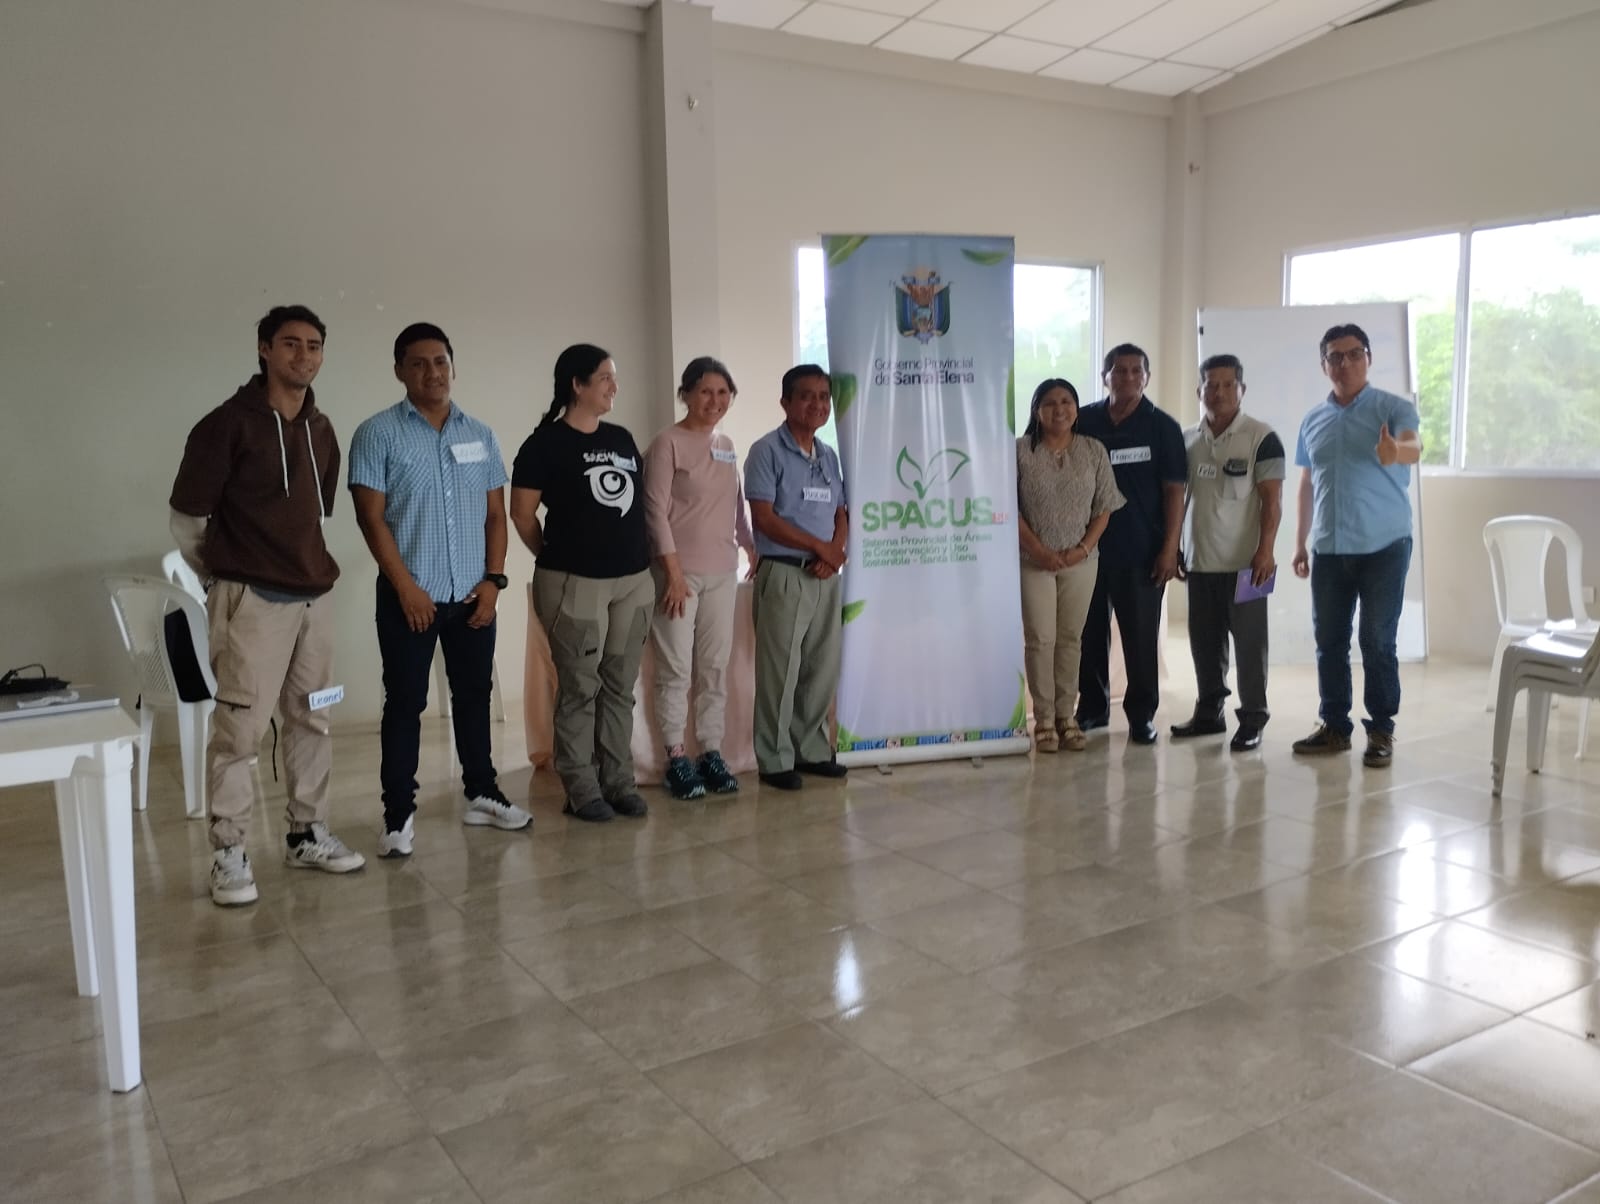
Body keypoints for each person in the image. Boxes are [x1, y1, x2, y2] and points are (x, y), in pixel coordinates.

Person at [170, 305, 365, 907]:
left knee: (314, 716)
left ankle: (307, 833)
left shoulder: (322, 430)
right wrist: (225, 580)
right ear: (263, 349)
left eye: (314, 346)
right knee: (239, 730)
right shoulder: (224, 425)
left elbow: (316, 515)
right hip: (251, 603)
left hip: (315, 601)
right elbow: (187, 521)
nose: (303, 356)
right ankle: (228, 851)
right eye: (290, 344)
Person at [348, 323, 532, 859]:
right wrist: (405, 587)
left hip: (473, 595)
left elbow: (495, 516)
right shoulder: (378, 433)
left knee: (473, 696)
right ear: (399, 371)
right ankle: (397, 815)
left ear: (453, 366)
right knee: (405, 703)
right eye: (419, 363)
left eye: (441, 362)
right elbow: (370, 518)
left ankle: (481, 793)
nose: (433, 372)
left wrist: (494, 582)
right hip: (411, 598)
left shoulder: (480, 434)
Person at [510, 344, 652, 821]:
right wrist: (554, 558)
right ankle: (582, 789)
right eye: (605, 377)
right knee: (579, 688)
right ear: (577, 384)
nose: (614, 386)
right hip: (574, 582)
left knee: (619, 686)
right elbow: (522, 514)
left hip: (632, 581)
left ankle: (619, 782)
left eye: (614, 377)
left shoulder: (621, 438)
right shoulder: (544, 444)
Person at [1291, 323, 1422, 768]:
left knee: (1377, 640)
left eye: (1353, 354)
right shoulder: (1313, 420)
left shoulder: (1393, 408)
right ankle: (1334, 726)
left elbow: (1413, 448)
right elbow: (1307, 483)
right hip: (1329, 547)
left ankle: (1381, 729)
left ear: (1368, 358)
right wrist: (1300, 542)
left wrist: (1393, 451)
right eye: (1335, 356)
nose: (1344, 363)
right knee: (1329, 640)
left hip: (1384, 545)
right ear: (1324, 364)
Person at [643, 356, 756, 800]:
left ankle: (711, 751)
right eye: (705, 391)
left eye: (723, 392)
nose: (715, 400)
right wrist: (672, 574)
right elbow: (654, 511)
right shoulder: (666, 443)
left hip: (722, 573)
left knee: (714, 667)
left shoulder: (725, 444)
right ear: (686, 394)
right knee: (675, 669)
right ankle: (676, 757)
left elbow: (735, 504)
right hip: (678, 574)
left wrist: (750, 547)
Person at [1073, 343, 1187, 745]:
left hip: (1142, 552)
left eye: (1136, 371)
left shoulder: (1163, 427)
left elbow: (1175, 491)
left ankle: (1141, 716)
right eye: (1119, 370)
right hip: (1088, 548)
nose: (1128, 377)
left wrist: (1169, 548)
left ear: (1147, 377)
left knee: (1140, 639)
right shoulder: (1084, 420)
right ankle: (1092, 708)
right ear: (1105, 377)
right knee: (1089, 635)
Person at [1172, 354, 1285, 752]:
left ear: (1242, 389)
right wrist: (1177, 547)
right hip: (1200, 561)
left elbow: (1272, 501)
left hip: (1249, 566)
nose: (1218, 392)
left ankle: (1253, 718)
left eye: (1227, 385)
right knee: (1204, 643)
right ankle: (1209, 713)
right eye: (1211, 385)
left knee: (1251, 646)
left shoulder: (1262, 436)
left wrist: (1265, 551)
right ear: (1199, 390)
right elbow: (1179, 499)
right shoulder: (1186, 439)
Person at [743, 365, 849, 791]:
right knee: (779, 673)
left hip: (825, 576)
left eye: (824, 396)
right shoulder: (766, 451)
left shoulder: (828, 455)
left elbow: (841, 511)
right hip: (785, 573)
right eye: (807, 396)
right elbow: (764, 518)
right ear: (785, 402)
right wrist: (821, 548)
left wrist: (835, 551)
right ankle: (774, 759)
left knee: (821, 668)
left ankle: (812, 750)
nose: (817, 404)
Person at [1016, 378, 1124, 753]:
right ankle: (1044, 719)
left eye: (1066, 401)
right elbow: (1009, 509)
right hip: (1032, 561)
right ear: (1036, 411)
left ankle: (1067, 716)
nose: (1059, 409)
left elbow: (1105, 506)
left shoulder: (1093, 450)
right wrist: (1039, 551)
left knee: (1070, 639)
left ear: (1076, 409)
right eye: (1049, 403)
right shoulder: (1019, 452)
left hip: (1082, 561)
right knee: (1040, 639)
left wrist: (1083, 548)